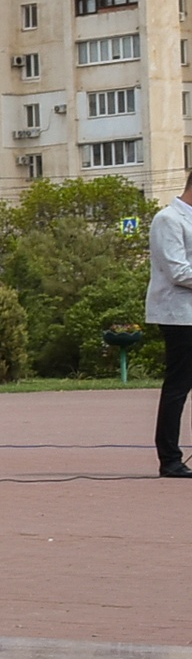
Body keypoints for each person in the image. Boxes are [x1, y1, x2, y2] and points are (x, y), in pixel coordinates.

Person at [146, 173, 192, 477]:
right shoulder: (169, 219)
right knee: (178, 386)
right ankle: (170, 458)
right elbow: (179, 271)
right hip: (178, 316)